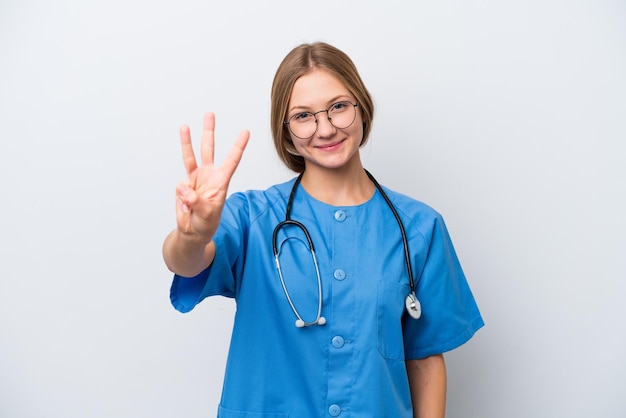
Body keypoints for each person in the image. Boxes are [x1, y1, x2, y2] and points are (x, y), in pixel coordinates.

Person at [163, 42, 484, 418]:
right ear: (285, 130)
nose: (326, 128)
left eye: (338, 107)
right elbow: (186, 263)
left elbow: (425, 359)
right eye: (303, 115)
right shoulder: (251, 217)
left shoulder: (419, 228)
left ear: (361, 106)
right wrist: (192, 235)